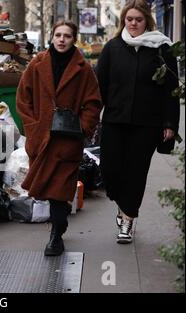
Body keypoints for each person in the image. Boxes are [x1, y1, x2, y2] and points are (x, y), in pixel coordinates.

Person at [95, 0, 180, 244]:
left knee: (136, 172)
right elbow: (99, 86)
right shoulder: (112, 48)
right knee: (110, 171)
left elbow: (171, 90)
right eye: (129, 19)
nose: (133, 23)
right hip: (114, 121)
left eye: (138, 20)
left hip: (147, 123)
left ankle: (128, 219)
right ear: (124, 20)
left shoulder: (162, 49)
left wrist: (170, 124)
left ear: (147, 22)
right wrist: (90, 118)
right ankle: (123, 205)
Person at [17, 21, 103, 256]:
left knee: (59, 190)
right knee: (44, 190)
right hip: (42, 139)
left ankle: (56, 236)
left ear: (73, 39)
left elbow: (93, 102)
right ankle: (61, 219)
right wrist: (33, 127)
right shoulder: (37, 64)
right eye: (58, 35)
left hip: (68, 140)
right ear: (52, 37)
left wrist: (83, 128)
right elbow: (23, 98)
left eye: (67, 35)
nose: (62, 39)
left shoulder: (82, 68)